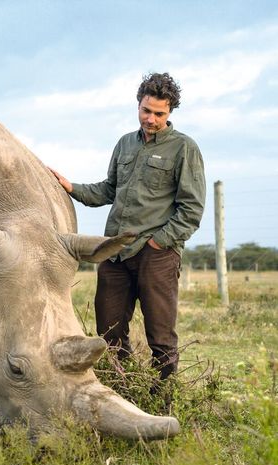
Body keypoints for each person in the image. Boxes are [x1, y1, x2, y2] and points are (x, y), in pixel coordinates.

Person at [50, 72, 205, 382]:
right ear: (138, 105)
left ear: (170, 111)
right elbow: (109, 189)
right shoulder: (124, 144)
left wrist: (159, 242)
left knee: (160, 334)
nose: (151, 118)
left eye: (159, 113)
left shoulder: (184, 148)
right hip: (116, 250)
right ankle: (123, 386)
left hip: (156, 253)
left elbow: (192, 208)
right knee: (108, 330)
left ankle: (163, 397)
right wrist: (71, 187)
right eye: (146, 110)